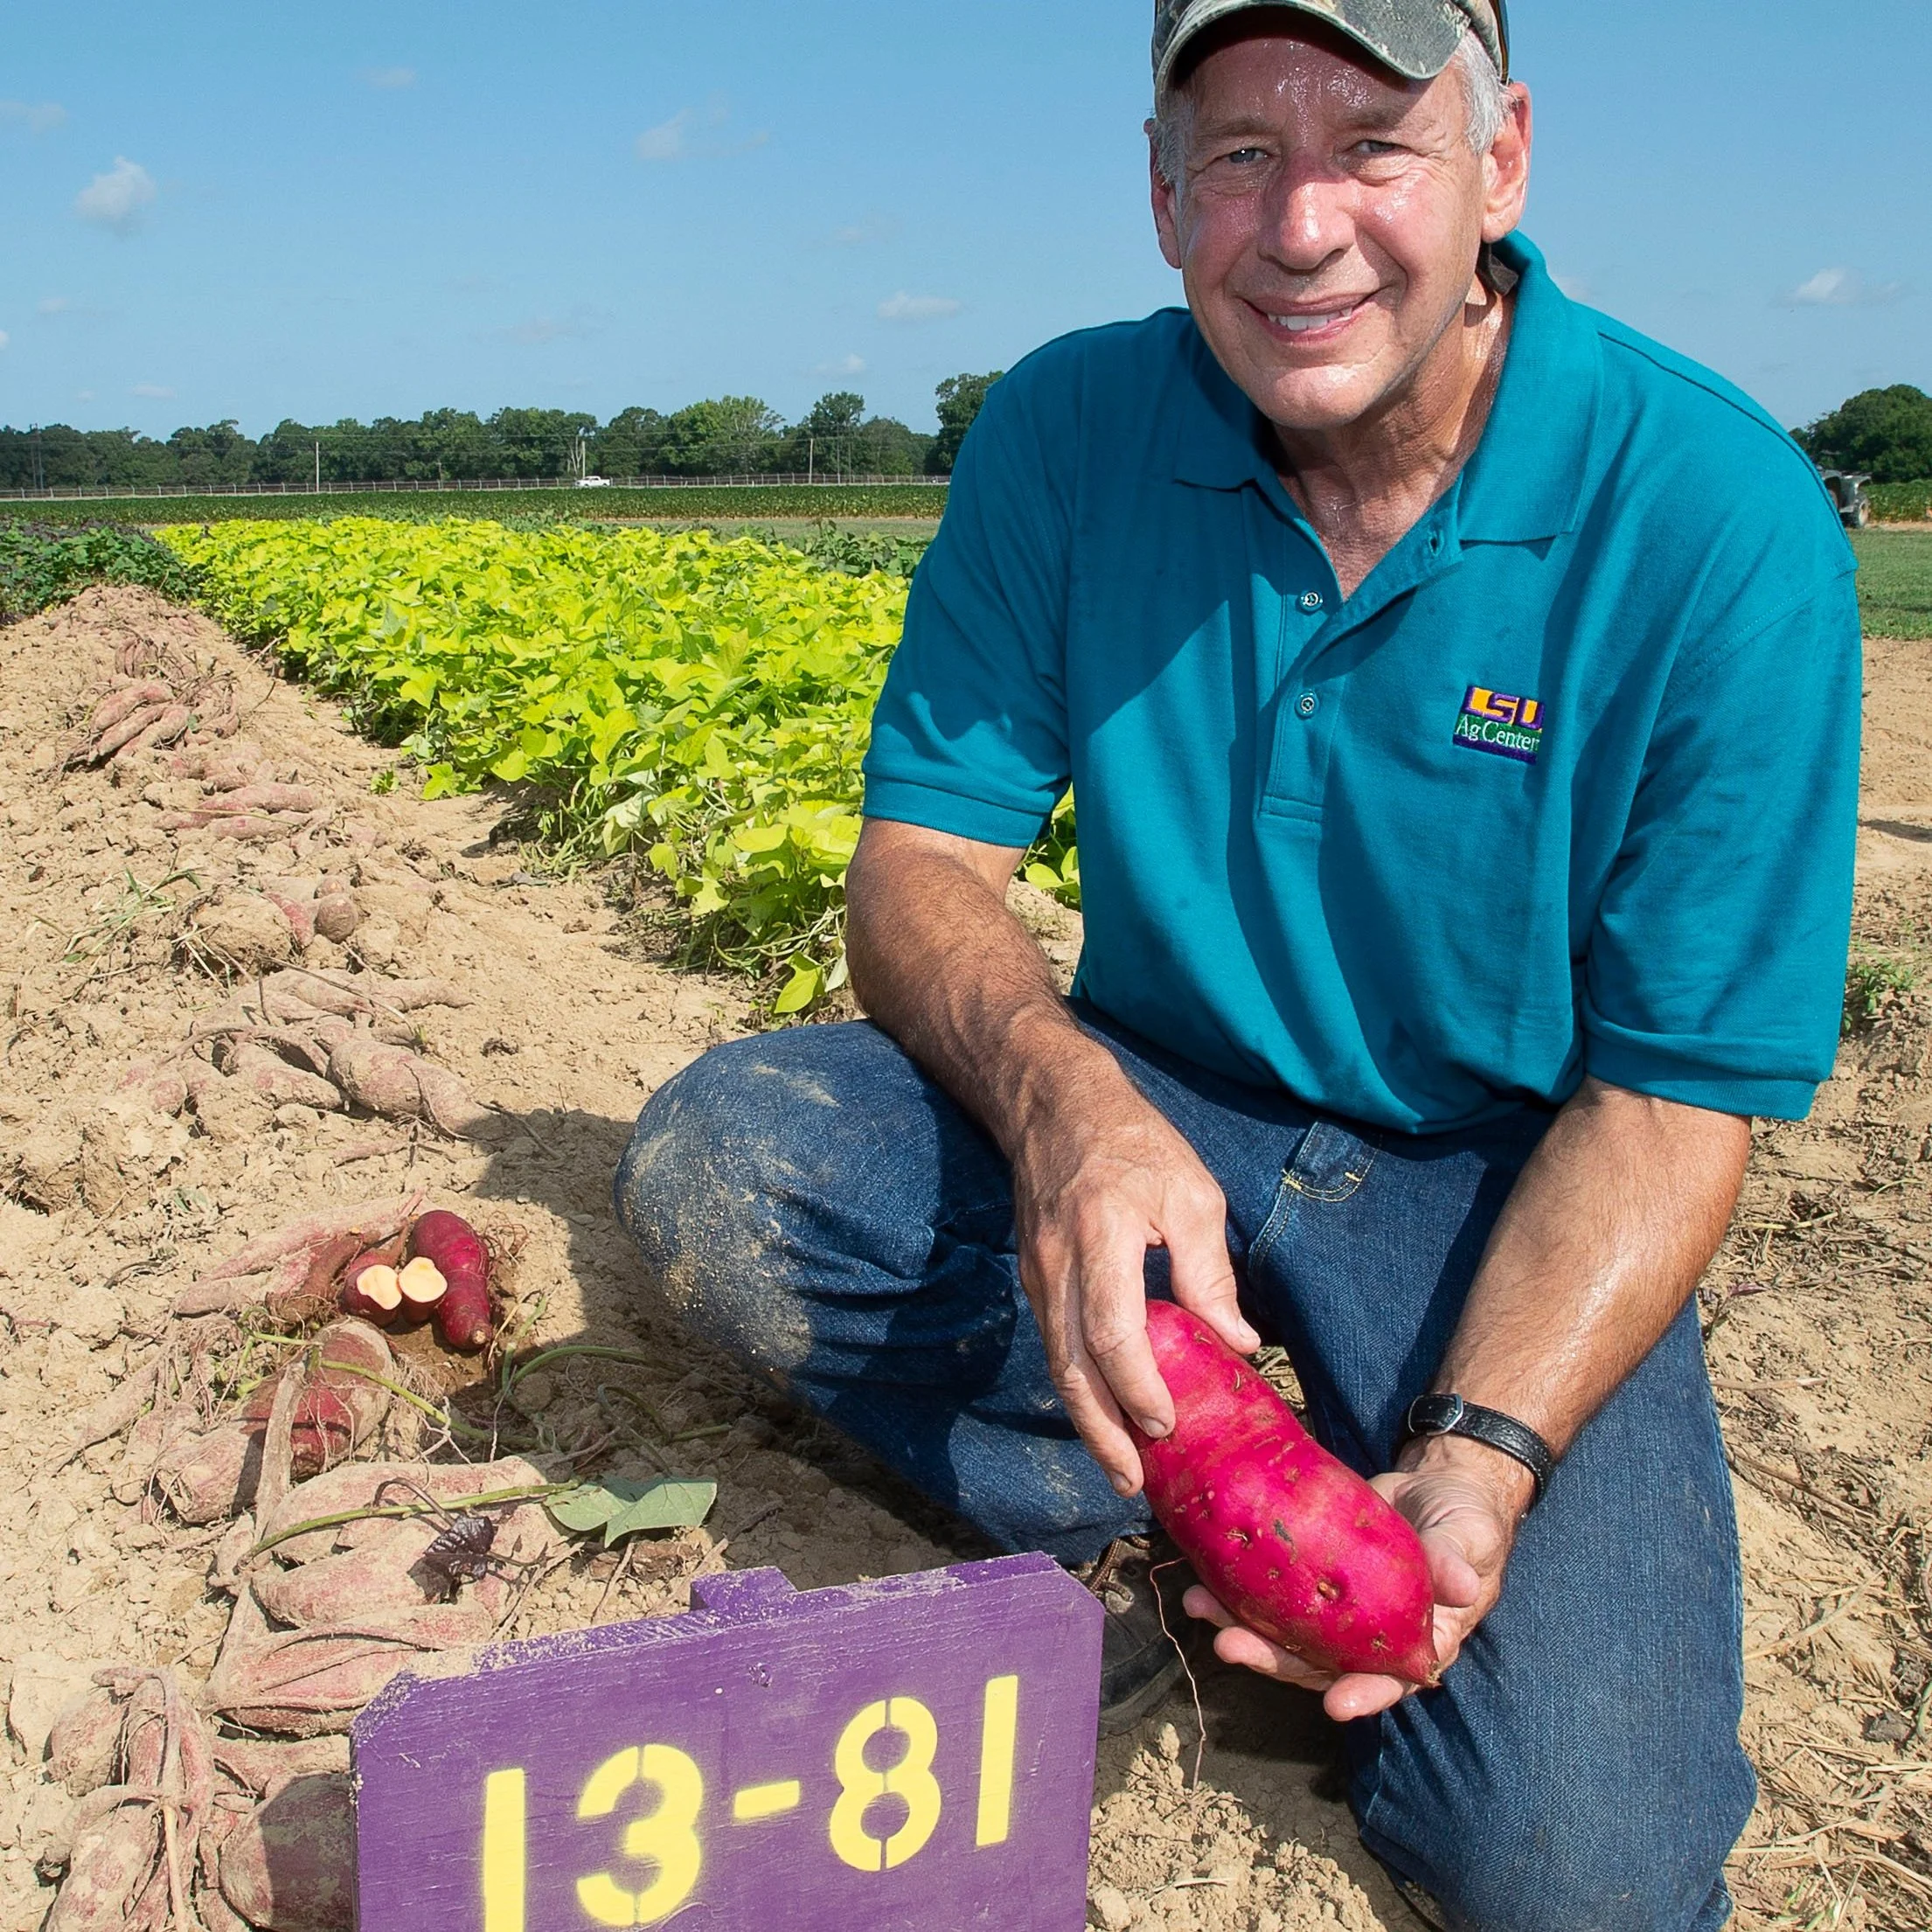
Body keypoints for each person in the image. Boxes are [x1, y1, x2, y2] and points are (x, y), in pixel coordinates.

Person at [615, 2, 1861, 1925]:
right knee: (734, 1162)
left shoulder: (1714, 517)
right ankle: (1165, 1550)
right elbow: (920, 860)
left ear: (1500, 159)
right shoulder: (1067, 426)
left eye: (1373, 144)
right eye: (1240, 155)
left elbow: (1670, 1097)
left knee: (1575, 1873)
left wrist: (1484, 1453)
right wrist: (1070, 1111)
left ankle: (1347, 1506)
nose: (1302, 229)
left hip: (1496, 1178)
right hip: (1157, 1095)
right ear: (1160, 191)